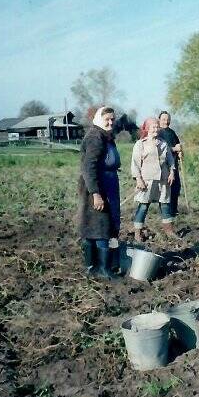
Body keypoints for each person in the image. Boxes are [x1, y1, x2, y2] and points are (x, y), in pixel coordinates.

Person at [78, 106, 122, 280]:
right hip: (97, 186)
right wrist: (96, 193)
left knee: (95, 225)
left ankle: (93, 267)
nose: (110, 122)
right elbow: (89, 167)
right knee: (100, 225)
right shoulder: (95, 137)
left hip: (106, 183)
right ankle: (101, 269)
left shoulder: (105, 136)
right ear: (98, 119)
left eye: (112, 119)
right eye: (107, 119)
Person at [131, 117, 177, 240]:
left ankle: (169, 231)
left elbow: (170, 160)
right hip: (147, 180)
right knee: (144, 205)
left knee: (165, 205)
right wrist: (138, 179)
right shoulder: (140, 144)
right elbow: (135, 164)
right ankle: (137, 232)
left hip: (163, 179)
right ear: (146, 129)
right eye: (153, 127)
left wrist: (172, 173)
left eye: (157, 126)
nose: (156, 129)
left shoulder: (163, 143)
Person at [158, 111, 183, 220]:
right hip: (164, 165)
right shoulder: (158, 133)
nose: (166, 121)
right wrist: (174, 149)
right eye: (164, 119)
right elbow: (161, 150)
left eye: (168, 119)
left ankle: (174, 210)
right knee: (166, 189)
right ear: (159, 120)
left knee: (176, 187)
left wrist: (180, 151)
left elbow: (177, 144)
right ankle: (166, 213)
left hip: (174, 164)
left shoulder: (172, 132)